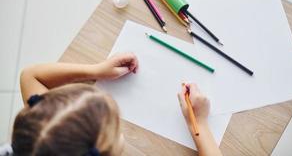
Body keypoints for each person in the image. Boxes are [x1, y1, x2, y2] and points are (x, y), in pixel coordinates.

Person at [9, 52, 222, 156]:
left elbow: (30, 76)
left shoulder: (37, 138)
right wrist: (200, 124)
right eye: (115, 127)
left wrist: (96, 70)